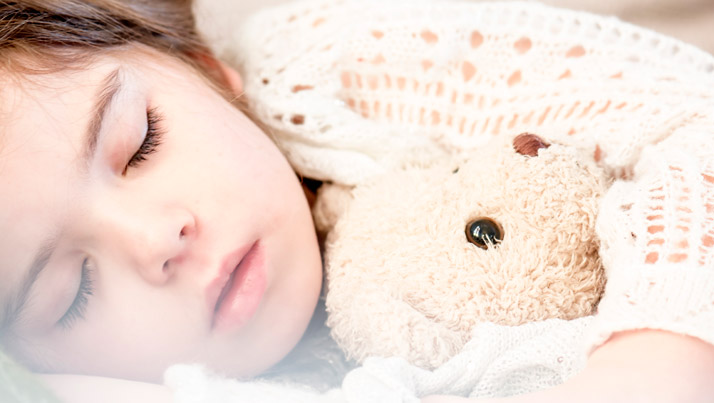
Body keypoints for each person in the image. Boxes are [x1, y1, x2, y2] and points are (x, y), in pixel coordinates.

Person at [0, 1, 712, 402]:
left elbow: (693, 111)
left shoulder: (327, 60)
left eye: (142, 142)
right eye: (71, 291)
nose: (159, 238)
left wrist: (663, 350)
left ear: (207, 71)